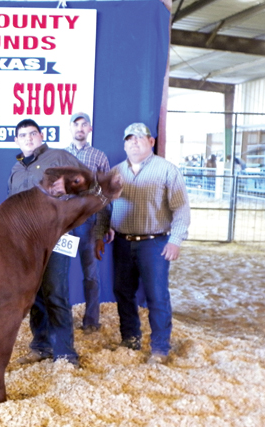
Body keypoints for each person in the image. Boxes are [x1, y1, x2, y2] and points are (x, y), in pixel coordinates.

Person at [96, 123, 190, 365]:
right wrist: (102, 230)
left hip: (155, 242)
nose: (134, 142)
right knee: (123, 293)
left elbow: (180, 208)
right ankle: (130, 338)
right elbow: (105, 207)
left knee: (157, 296)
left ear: (151, 141)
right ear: (124, 144)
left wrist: (175, 240)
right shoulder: (116, 173)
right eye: (129, 139)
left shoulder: (167, 170)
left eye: (139, 138)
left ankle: (160, 348)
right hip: (123, 243)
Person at [8, 118, 88, 367]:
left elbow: (86, 184)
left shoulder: (58, 157)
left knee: (55, 291)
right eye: (23, 135)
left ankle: (65, 353)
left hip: (55, 238)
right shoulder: (17, 168)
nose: (28, 138)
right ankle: (41, 346)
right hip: (26, 243)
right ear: (16, 141)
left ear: (41, 136)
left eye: (33, 134)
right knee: (35, 293)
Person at [64, 112, 110, 334]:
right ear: (70, 128)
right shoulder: (60, 156)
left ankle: (91, 320)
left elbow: (105, 195)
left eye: (84, 125)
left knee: (90, 274)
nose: (80, 128)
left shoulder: (99, 157)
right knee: (58, 272)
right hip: (64, 223)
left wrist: (102, 229)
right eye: (76, 125)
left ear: (90, 129)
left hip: (88, 222)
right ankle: (62, 318)